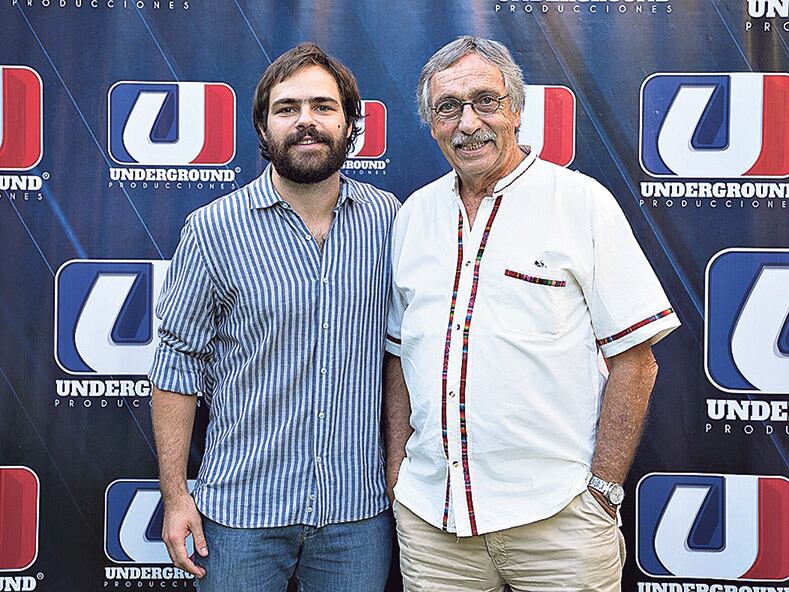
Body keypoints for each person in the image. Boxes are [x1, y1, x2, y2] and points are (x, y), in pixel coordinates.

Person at [384, 36, 680, 592]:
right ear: (431, 123)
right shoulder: (413, 215)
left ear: (516, 109)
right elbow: (399, 360)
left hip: (558, 523)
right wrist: (399, 474)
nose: (468, 122)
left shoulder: (581, 202)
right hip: (433, 524)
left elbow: (636, 361)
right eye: (448, 107)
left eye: (485, 101)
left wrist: (604, 490)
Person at [149, 43, 399, 592]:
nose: (306, 121)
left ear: (351, 124)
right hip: (239, 517)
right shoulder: (213, 229)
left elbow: (405, 356)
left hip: (356, 516)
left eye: (323, 107)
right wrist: (175, 498)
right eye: (287, 108)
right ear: (263, 129)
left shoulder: (390, 220)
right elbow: (176, 364)